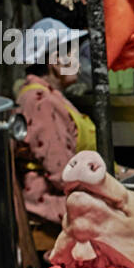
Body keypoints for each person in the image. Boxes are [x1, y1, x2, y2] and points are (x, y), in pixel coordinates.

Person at [13, 17, 95, 227]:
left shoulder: (48, 95)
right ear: (56, 60)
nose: (79, 63)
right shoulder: (41, 102)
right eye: (73, 54)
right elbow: (63, 173)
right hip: (50, 204)